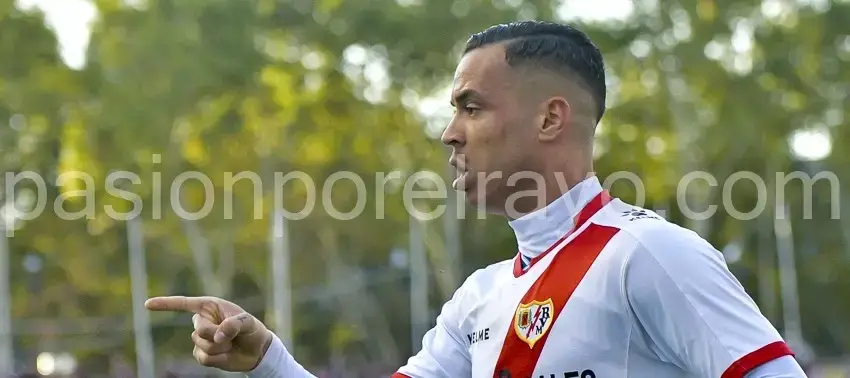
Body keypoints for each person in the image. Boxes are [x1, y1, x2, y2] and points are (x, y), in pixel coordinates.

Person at [145, 20, 809, 377]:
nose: (448, 132)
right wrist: (268, 360)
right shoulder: (478, 297)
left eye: (471, 106)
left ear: (551, 119)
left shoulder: (651, 255)